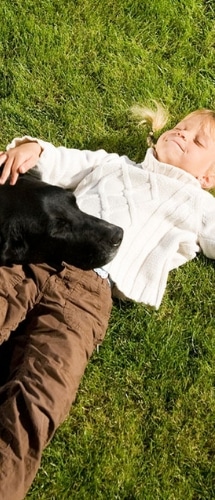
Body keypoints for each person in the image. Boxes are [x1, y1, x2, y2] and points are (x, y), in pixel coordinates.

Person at [0, 104, 215, 499]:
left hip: (88, 298)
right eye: (182, 127)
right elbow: (59, 160)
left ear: (209, 176)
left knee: (42, 394)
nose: (182, 134)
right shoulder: (112, 164)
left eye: (197, 140)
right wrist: (31, 147)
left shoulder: (201, 207)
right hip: (42, 252)